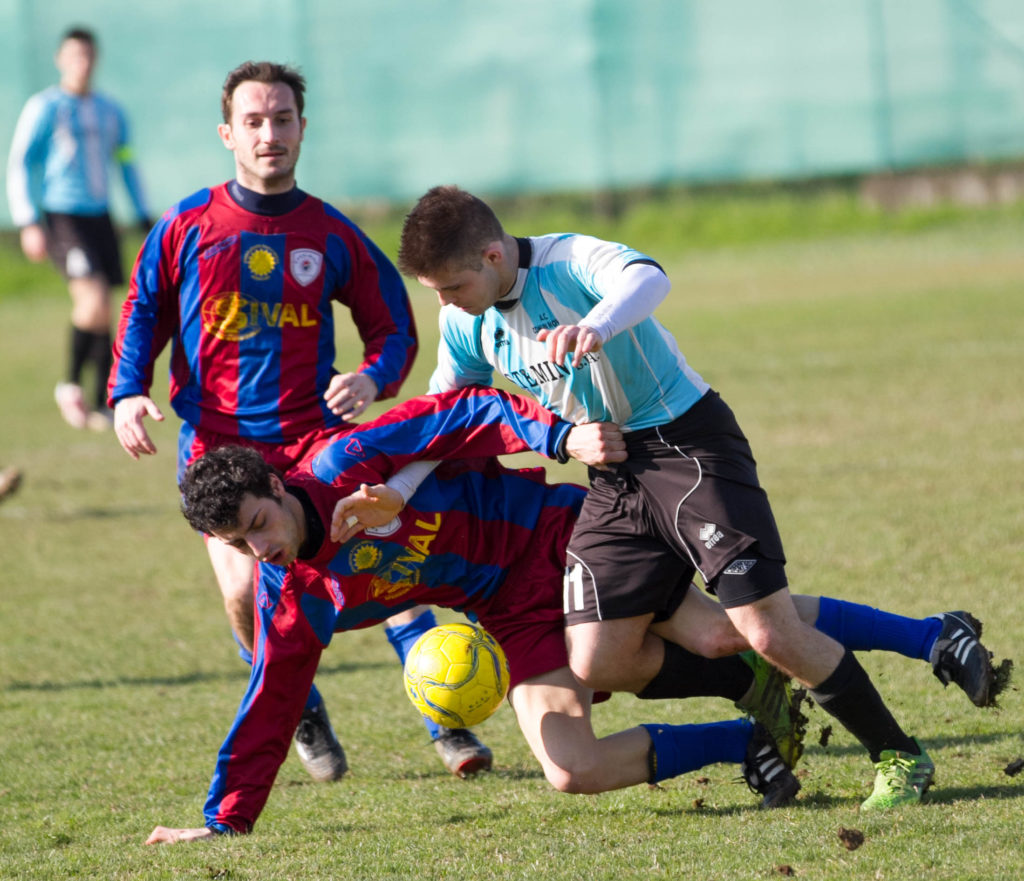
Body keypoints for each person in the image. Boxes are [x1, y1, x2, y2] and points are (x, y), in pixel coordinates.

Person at [395, 186, 1008, 810]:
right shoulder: (464, 323)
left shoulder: (566, 259)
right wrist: (395, 491)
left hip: (688, 448)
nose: (445, 303)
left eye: (452, 286)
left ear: (494, 256)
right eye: (435, 292)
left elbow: (648, 277)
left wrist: (597, 324)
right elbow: (447, 418)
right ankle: (827, 666)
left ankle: (901, 753)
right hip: (611, 479)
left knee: (767, 631)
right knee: (599, 658)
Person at [146, 386, 804, 844]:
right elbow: (272, 696)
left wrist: (556, 436)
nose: (259, 548)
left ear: (277, 486)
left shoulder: (346, 464)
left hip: (556, 534)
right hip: (508, 608)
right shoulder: (293, 593)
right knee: (572, 768)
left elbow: (465, 412)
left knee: (726, 630)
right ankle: (743, 740)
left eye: (259, 524)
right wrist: (227, 818)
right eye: (239, 544)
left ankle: (875, 660)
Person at [105, 61, 487, 781]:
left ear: (302, 129)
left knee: (375, 561)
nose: (269, 133)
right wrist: (127, 389)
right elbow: (143, 307)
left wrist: (373, 375)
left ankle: (446, 716)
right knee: (247, 593)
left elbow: (395, 325)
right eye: (253, 120)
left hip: (313, 441)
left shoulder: (329, 233)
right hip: (216, 446)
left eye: (282, 119)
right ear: (228, 133)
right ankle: (303, 708)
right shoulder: (188, 225)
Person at [6, 27, 151, 431]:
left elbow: (126, 161)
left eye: (88, 56)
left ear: (96, 59)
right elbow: (21, 161)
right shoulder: (46, 107)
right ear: (61, 60)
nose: (82, 64)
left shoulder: (109, 111)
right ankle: (69, 384)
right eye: (74, 56)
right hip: (62, 216)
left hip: (101, 216)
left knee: (106, 309)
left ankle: (99, 403)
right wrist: (28, 220)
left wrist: (141, 211)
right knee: (93, 301)